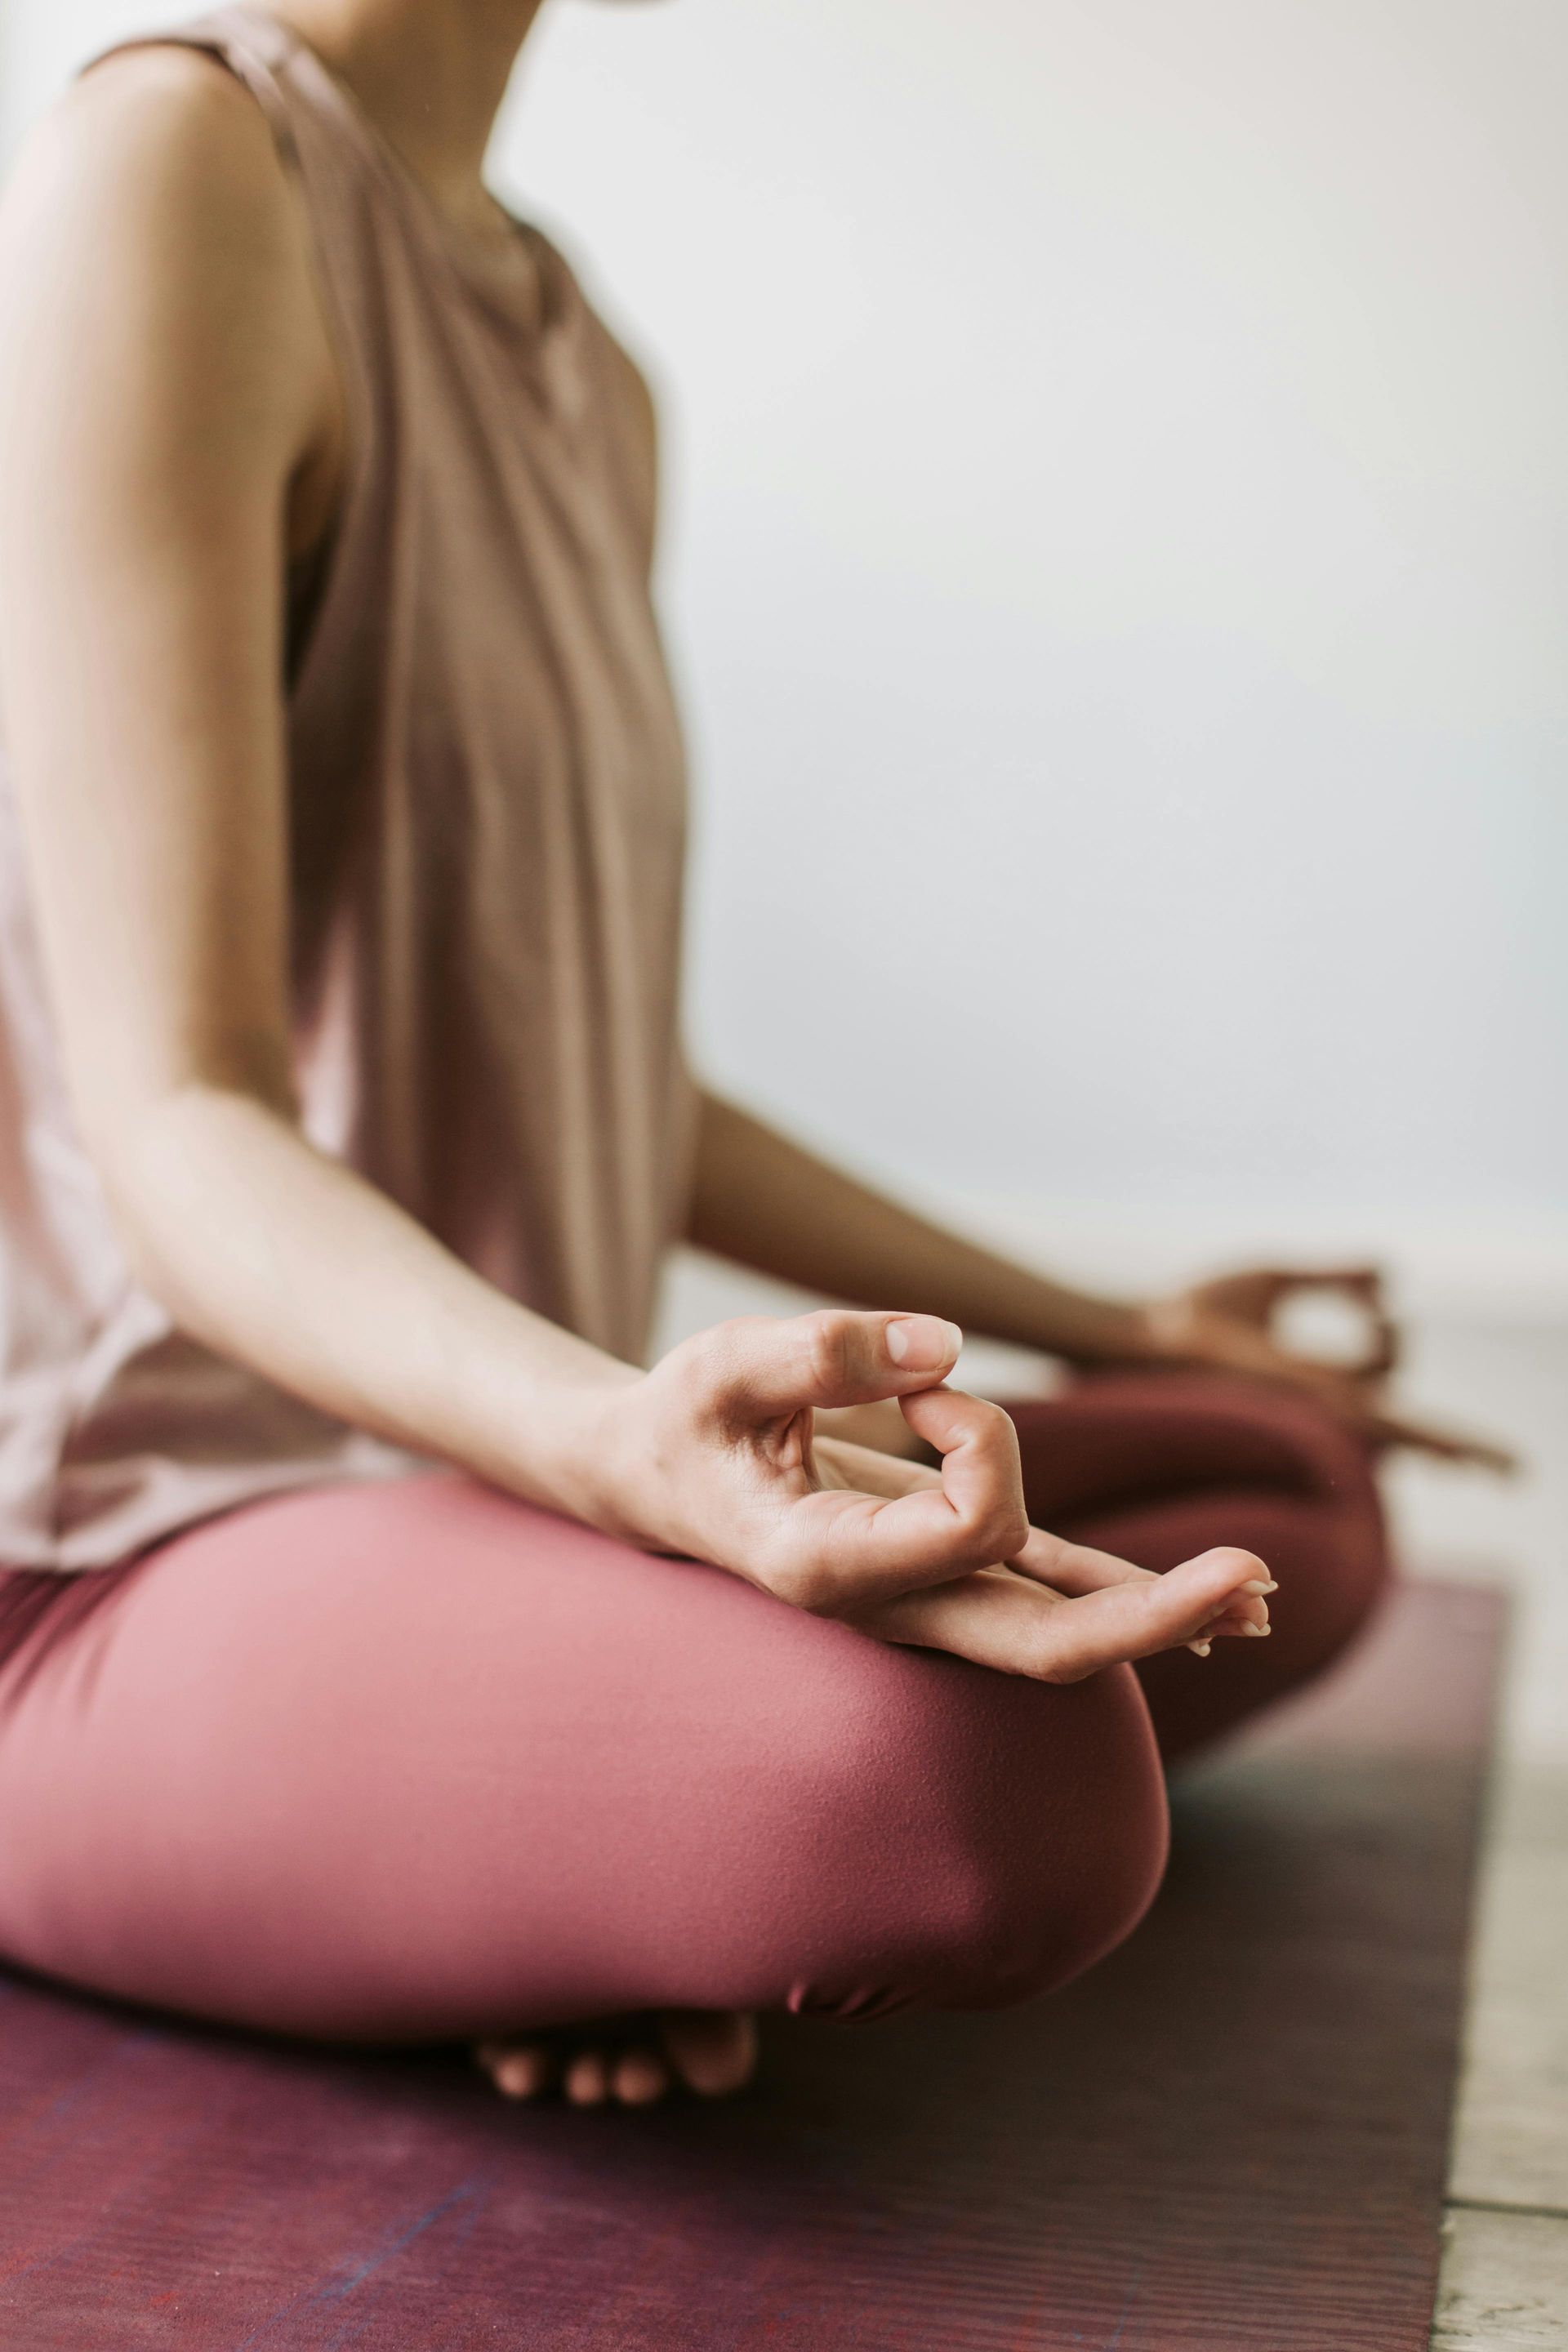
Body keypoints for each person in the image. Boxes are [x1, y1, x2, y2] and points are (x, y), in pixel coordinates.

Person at [0, 0, 1508, 2109]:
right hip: (124, 1554)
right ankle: (567, 1818)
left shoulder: (590, 372)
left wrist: (1122, 1317)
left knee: (1273, 1491)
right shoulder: (171, 169)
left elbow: (626, 1079)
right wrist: (629, 1453)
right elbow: (181, 1113)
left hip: (499, 1487)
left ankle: (555, 1807)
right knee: (1013, 1790)